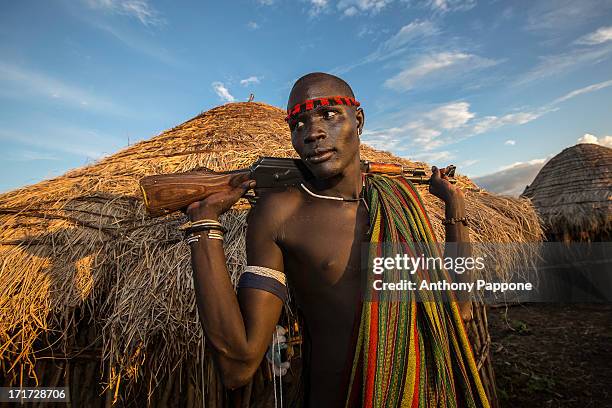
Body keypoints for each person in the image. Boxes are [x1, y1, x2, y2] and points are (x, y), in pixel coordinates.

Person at [184, 72, 481, 407]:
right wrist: (204, 225)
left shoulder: (401, 202)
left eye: (328, 115)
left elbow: (460, 308)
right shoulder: (280, 214)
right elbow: (239, 365)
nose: (312, 133)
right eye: (298, 124)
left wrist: (455, 203)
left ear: (359, 120)